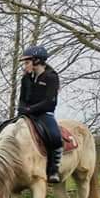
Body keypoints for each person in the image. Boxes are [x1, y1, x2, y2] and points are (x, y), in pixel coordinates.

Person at [18, 45, 62, 183]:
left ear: (37, 61)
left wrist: (30, 109)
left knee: (55, 136)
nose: (24, 66)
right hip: (27, 114)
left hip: (45, 114)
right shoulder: (26, 79)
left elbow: (50, 102)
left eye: (27, 62)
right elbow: (22, 99)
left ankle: (54, 169)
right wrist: (22, 109)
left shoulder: (51, 77)